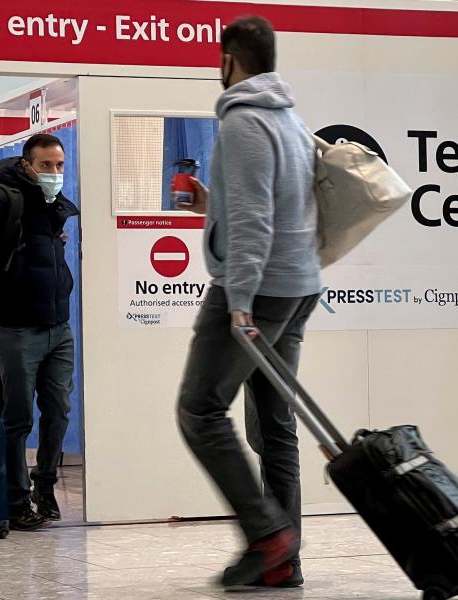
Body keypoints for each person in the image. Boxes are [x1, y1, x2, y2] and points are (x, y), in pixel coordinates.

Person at [176, 15, 321, 590]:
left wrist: (238, 300)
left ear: (228, 59)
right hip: (298, 284)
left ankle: (267, 535)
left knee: (200, 410)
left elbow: (257, 219)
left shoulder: (241, 122)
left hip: (257, 289)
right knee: (274, 427)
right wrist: (212, 206)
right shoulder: (291, 119)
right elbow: (278, 206)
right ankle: (284, 560)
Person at [0, 134, 79, 532]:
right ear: (27, 164)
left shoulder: (52, 205)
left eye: (59, 165)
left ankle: (45, 486)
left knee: (58, 411)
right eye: (46, 165)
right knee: (18, 417)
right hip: (15, 328)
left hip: (58, 327)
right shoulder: (3, 199)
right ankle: (15, 497)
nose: (54, 173)